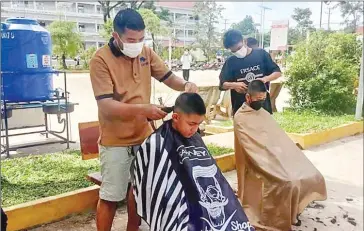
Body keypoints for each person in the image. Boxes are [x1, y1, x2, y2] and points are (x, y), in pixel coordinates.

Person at [89, 9, 198, 231]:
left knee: (138, 191)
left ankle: (133, 228)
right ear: (116, 35)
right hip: (115, 141)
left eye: (141, 39)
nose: (136, 44)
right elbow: (106, 105)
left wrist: (185, 85)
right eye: (131, 40)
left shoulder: (146, 53)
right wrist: (143, 110)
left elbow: (168, 77)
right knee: (111, 196)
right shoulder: (100, 59)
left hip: (144, 138)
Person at [132, 93, 254, 231]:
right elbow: (152, 186)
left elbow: (211, 172)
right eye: (191, 124)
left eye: (199, 124)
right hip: (175, 204)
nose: (195, 130)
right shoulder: (157, 143)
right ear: (176, 117)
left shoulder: (195, 138)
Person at [233, 80, 327, 230]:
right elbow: (251, 149)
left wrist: (284, 156)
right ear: (248, 98)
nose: (261, 103)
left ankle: (293, 212)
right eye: (258, 100)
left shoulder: (263, 113)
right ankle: (282, 216)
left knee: (310, 174)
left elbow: (277, 138)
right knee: (288, 181)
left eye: (264, 99)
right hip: (259, 162)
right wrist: (272, 162)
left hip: (274, 156)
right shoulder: (240, 117)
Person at [219, 29, 281, 115]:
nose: (238, 52)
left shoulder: (261, 54)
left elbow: (277, 72)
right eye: (234, 51)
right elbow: (222, 84)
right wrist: (234, 85)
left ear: (244, 41)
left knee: (264, 127)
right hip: (241, 107)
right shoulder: (230, 62)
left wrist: (265, 79)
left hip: (262, 105)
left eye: (239, 48)